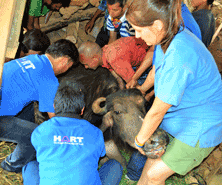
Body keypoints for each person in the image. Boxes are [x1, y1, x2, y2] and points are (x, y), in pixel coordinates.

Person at [124, 0, 222, 184]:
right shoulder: (167, 37)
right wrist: (141, 89)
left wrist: (139, 141)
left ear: (156, 25)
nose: (137, 36)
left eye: (139, 30)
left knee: (155, 175)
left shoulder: (179, 54)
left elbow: (157, 111)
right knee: (152, 160)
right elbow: (157, 69)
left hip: (201, 125)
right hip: (184, 113)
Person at [0, 39, 79, 173]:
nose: (66, 70)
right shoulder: (49, 80)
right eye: (69, 67)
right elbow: (55, 119)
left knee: (29, 104)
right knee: (35, 135)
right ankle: (11, 165)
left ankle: (27, 147)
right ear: (65, 61)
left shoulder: (32, 59)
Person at [22, 85, 123, 185]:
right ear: (82, 109)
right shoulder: (95, 132)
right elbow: (101, 154)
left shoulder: (40, 130)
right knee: (115, 166)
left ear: (54, 106)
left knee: (31, 166)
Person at [78, 37, 150, 89]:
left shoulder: (114, 59)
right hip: (135, 62)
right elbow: (114, 72)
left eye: (86, 64)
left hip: (151, 60)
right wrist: (120, 86)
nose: (86, 67)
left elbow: (133, 83)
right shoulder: (104, 52)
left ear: (95, 59)